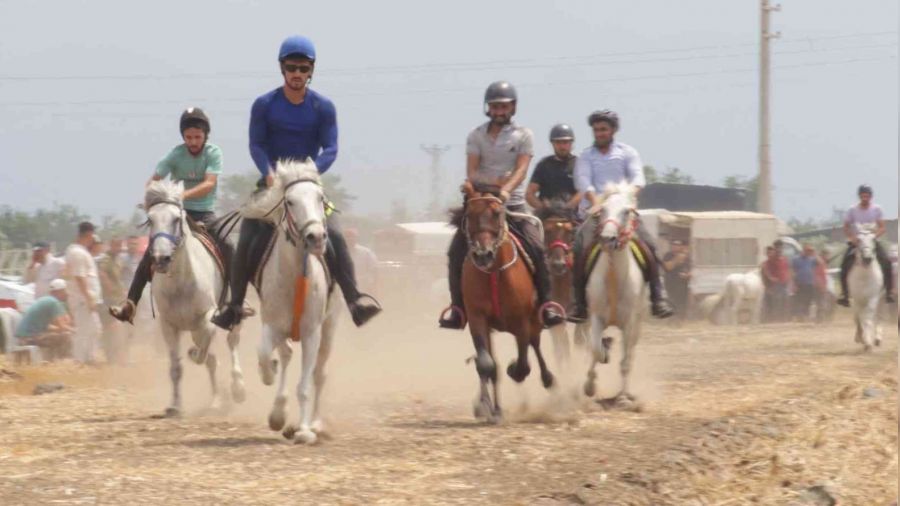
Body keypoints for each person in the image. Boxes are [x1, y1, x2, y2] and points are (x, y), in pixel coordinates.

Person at [212, 35, 381, 330]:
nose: (297, 74)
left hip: (307, 187)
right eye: (291, 67)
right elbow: (256, 144)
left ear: (311, 70)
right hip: (272, 186)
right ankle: (235, 305)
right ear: (282, 68)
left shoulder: (323, 107)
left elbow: (331, 148)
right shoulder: (264, 105)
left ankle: (354, 300)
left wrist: (311, 172)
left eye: (303, 68)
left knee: (337, 237)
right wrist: (267, 172)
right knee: (246, 240)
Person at [438, 81, 565, 330]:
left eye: (503, 106)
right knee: (455, 252)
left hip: (512, 204)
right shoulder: (476, 135)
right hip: (480, 205)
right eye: (494, 106)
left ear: (513, 107)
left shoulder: (524, 135)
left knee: (538, 248)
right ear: (488, 108)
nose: (499, 111)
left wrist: (505, 191)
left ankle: (546, 305)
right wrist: (478, 188)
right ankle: (457, 309)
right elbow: (472, 171)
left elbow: (521, 168)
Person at [109, 108, 233, 323]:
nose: (193, 141)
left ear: (206, 135)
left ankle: (236, 301)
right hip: (177, 213)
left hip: (205, 213)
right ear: (183, 137)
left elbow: (209, 183)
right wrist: (151, 201)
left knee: (229, 246)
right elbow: (153, 181)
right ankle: (130, 304)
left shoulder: (213, 153)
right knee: (151, 251)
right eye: (188, 137)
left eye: (197, 137)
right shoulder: (175, 155)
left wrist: (181, 195)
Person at [568, 110, 674, 322]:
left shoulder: (628, 153)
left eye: (604, 129)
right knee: (580, 247)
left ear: (613, 130)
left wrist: (625, 200)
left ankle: (658, 296)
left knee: (650, 246)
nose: (599, 133)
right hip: (598, 212)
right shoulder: (586, 155)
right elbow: (584, 182)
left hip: (624, 212)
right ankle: (579, 304)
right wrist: (597, 203)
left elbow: (637, 180)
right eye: (596, 130)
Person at [836, 184, 895, 306]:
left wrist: (873, 236)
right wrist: (852, 238)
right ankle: (844, 294)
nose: (865, 198)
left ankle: (889, 292)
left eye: (867, 196)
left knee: (887, 262)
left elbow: (882, 227)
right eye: (863, 196)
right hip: (857, 242)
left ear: (870, 197)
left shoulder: (876, 209)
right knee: (844, 263)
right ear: (859, 196)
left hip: (872, 241)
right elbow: (846, 227)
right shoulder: (852, 210)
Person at [65, 222, 102, 364]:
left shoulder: (78, 252)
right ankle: (80, 360)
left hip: (84, 299)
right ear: (88, 235)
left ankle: (88, 358)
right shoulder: (78, 253)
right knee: (85, 330)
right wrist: (89, 298)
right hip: (83, 300)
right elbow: (80, 277)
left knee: (94, 329)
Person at [14, 278, 74, 361]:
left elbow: (46, 326)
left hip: (23, 338)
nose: (68, 293)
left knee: (58, 335)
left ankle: (52, 361)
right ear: (59, 291)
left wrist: (59, 329)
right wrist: (76, 331)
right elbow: (62, 326)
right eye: (66, 291)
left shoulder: (46, 300)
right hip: (30, 338)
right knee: (67, 336)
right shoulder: (54, 302)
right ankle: (65, 361)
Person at [525, 124, 582, 211]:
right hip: (545, 215)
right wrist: (542, 208)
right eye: (558, 142)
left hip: (572, 216)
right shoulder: (543, 165)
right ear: (552, 143)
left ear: (571, 143)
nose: (562, 146)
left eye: (565, 142)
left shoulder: (579, 164)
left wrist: (569, 206)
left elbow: (582, 191)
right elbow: (530, 194)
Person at [97, 238, 128, 363]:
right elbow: (102, 274)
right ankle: (112, 356)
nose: (119, 248)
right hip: (109, 299)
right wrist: (110, 288)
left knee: (118, 328)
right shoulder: (106, 259)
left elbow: (119, 277)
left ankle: (117, 356)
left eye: (120, 246)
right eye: (116, 246)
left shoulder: (118, 260)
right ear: (111, 245)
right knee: (111, 327)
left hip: (118, 298)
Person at [662, 239, 692, 321]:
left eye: (678, 245)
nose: (676, 247)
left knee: (682, 302)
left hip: (682, 284)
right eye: (674, 245)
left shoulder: (686, 257)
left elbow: (690, 269)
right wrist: (676, 258)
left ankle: (680, 320)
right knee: (672, 300)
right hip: (671, 283)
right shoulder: (668, 255)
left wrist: (687, 274)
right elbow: (668, 267)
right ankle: (671, 319)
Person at [761, 241, 791, 322]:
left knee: (785, 302)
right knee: (777, 302)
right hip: (776, 285)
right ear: (775, 248)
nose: (779, 249)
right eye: (777, 247)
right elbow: (765, 267)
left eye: (780, 247)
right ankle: (776, 320)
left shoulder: (784, 258)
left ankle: (784, 319)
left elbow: (787, 269)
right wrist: (770, 277)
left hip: (784, 284)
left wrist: (789, 279)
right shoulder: (771, 259)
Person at [345, 228, 379, 295]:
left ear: (356, 238)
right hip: (346, 287)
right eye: (347, 237)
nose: (350, 239)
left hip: (364, 287)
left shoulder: (366, 253)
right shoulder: (340, 254)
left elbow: (374, 270)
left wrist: (373, 286)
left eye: (352, 237)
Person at [791, 243, 819, 321]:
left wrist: (815, 253)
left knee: (808, 300)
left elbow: (821, 263)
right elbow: (792, 271)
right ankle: (799, 316)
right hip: (800, 283)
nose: (809, 252)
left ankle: (805, 315)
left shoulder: (812, 259)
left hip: (810, 283)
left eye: (810, 250)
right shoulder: (796, 259)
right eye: (807, 250)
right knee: (799, 300)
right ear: (803, 250)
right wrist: (793, 284)